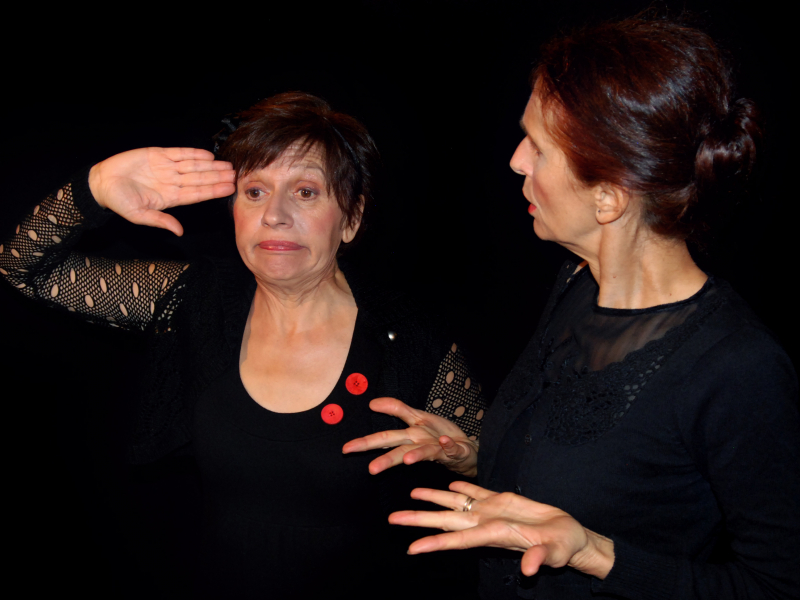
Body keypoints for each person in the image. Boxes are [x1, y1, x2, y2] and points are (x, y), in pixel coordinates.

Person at [342, 17, 800, 600]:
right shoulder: (576, 287)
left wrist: (594, 553)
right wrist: (471, 457)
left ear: (608, 197)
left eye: (538, 146)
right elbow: (577, 482)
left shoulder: (738, 368)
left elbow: (774, 585)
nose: (516, 161)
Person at [0, 92, 485, 597]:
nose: (274, 214)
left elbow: (500, 471)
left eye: (305, 192)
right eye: (254, 191)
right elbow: (22, 268)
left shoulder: (409, 339)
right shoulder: (198, 301)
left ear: (351, 218)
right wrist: (96, 187)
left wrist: (467, 461)